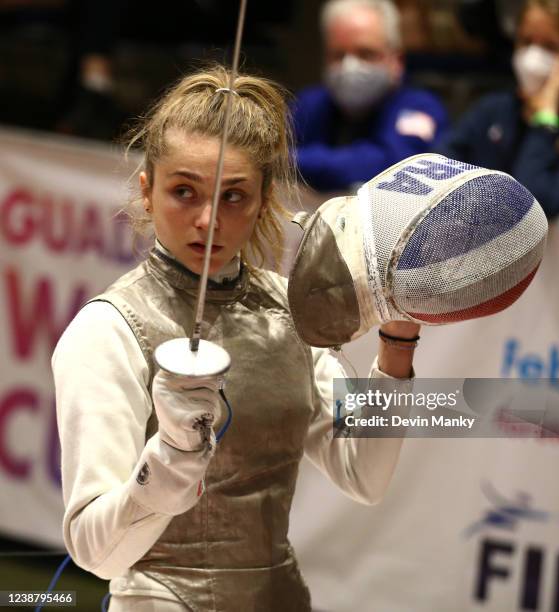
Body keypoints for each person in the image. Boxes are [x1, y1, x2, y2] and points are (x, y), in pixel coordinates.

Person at [52, 65, 420, 611]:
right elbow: (96, 554)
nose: (208, 220)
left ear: (263, 199)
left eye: (233, 196)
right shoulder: (107, 329)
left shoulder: (292, 315)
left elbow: (362, 474)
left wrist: (397, 341)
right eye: (184, 191)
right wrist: (172, 457)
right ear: (147, 191)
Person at [437, 0, 559, 218]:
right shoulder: (493, 110)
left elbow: (533, 204)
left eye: (550, 47)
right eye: (526, 42)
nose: (533, 59)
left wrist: (544, 119)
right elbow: (436, 174)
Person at [292, 0, 448, 192]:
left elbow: (392, 167)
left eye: (366, 54)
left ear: (396, 60)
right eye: (338, 55)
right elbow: (265, 152)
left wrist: (293, 160)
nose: (350, 68)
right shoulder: (311, 103)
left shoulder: (420, 108)